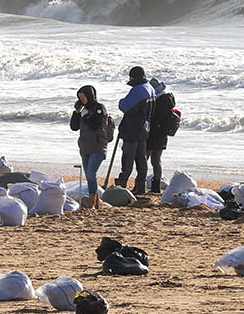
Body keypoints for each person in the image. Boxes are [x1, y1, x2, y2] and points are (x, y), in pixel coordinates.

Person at [115, 65, 156, 195]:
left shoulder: (138, 90)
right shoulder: (151, 89)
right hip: (144, 129)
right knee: (141, 159)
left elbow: (124, 106)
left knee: (128, 158)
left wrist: (121, 100)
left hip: (132, 130)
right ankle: (140, 186)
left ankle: (122, 186)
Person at [70, 85, 111, 209]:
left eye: (83, 96)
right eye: (79, 97)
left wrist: (85, 114)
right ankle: (96, 202)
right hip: (85, 147)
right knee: (89, 176)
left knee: (91, 173)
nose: (82, 99)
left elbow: (95, 124)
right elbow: (74, 127)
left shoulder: (99, 108)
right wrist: (77, 113)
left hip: (98, 146)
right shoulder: (83, 110)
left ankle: (91, 200)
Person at [145, 77, 179, 194]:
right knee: (157, 161)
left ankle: (141, 184)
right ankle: (156, 185)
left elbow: (153, 120)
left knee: (145, 159)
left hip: (153, 135)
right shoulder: (168, 101)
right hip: (162, 136)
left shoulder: (158, 103)